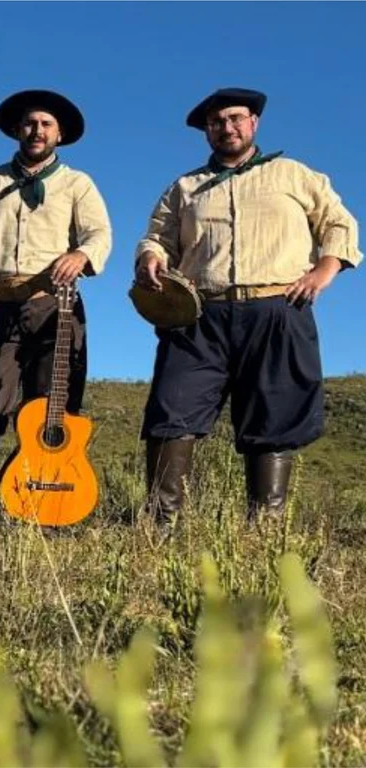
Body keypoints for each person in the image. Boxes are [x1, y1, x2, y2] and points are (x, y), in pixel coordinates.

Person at [135, 87, 362, 523]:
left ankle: (265, 528)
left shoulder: (294, 174)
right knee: (171, 408)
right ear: (207, 132)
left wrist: (323, 272)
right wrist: (151, 258)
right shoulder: (185, 188)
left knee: (273, 415)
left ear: (253, 123)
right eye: (217, 122)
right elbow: (157, 237)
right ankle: (160, 527)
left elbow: (339, 223)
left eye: (236, 118)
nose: (227, 127)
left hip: (277, 307)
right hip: (199, 314)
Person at [0, 89, 112, 526]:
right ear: (17, 130)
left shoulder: (78, 184)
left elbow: (99, 236)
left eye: (46, 124)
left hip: (52, 307)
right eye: (30, 123)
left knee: (48, 410)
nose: (37, 131)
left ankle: (34, 507)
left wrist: (81, 256)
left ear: (59, 135)